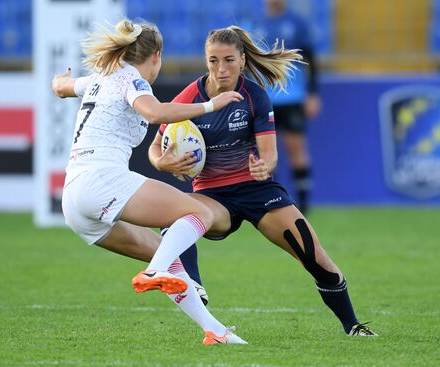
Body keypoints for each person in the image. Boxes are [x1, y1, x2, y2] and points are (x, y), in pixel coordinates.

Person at [149, 25, 377, 336]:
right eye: (213, 60)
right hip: (213, 197)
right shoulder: (191, 96)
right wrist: (161, 161)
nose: (221, 68)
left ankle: (352, 326)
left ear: (242, 60)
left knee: (313, 255)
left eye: (229, 60)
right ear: (205, 61)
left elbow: (270, 155)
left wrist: (263, 166)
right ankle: (193, 285)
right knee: (177, 213)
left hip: (258, 191)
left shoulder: (254, 96)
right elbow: (156, 144)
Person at [52, 19, 247, 345]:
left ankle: (214, 331)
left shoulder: (99, 77)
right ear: (156, 55)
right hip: (103, 179)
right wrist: (211, 105)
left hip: (73, 196)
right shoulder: (132, 79)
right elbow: (153, 112)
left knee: (169, 255)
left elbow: (60, 88)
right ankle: (155, 271)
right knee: (203, 214)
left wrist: (63, 80)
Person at [255, 0, 322, 215]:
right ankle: (266, 199)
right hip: (264, 98)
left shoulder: (297, 23)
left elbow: (311, 60)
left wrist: (312, 93)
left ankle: (303, 204)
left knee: (296, 149)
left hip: (292, 97)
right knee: (263, 151)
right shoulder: (253, 24)